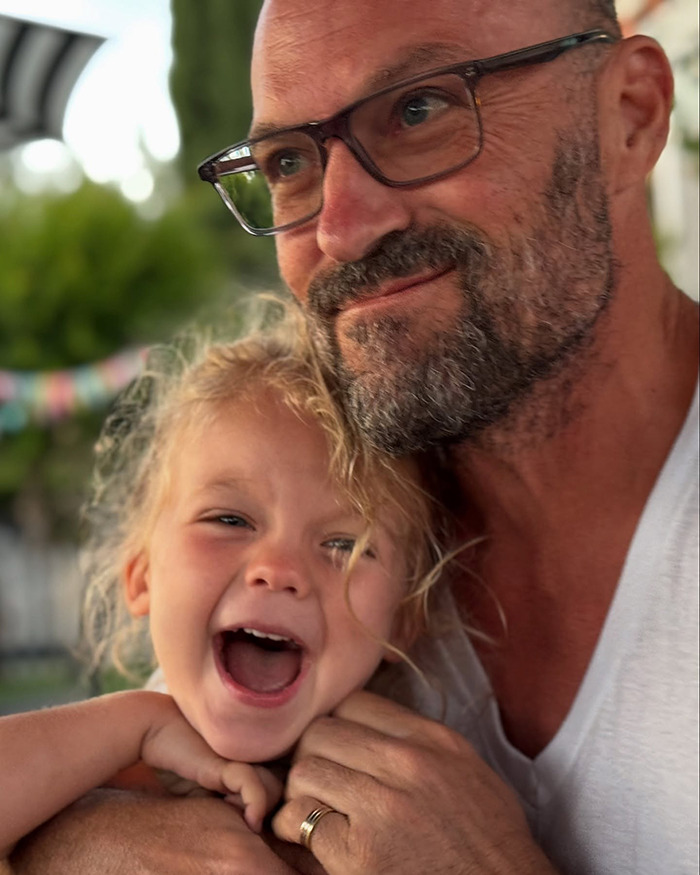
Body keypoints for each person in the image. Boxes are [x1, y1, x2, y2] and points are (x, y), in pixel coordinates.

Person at [10, 0, 698, 873]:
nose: (338, 227)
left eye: (419, 109)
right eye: (289, 162)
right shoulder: (335, 489)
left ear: (629, 114)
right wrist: (83, 838)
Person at [3, 309, 447, 871]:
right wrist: (134, 726)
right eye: (230, 521)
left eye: (344, 546)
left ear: (402, 619)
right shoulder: (94, 762)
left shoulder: (406, 803)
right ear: (142, 577)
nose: (280, 569)